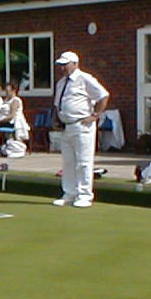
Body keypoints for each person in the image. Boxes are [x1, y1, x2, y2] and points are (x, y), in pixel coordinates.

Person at [50, 50, 110, 208]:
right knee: (68, 162)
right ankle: (69, 193)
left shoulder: (85, 78)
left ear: (75, 64)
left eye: (65, 64)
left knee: (83, 162)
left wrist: (95, 115)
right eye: (60, 65)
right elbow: (58, 104)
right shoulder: (61, 83)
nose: (62, 68)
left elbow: (103, 96)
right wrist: (56, 119)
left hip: (82, 125)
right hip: (66, 126)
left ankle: (85, 195)